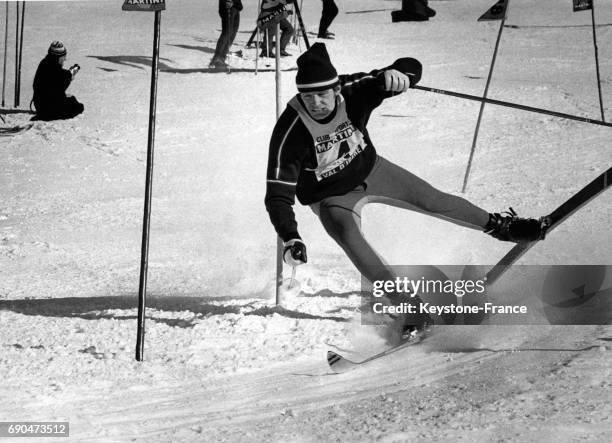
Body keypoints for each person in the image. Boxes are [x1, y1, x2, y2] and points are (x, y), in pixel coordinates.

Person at [264, 43, 544, 335]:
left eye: (322, 94)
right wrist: (290, 237)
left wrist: (403, 74)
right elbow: (277, 195)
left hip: (371, 170)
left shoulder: (354, 89)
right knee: (350, 240)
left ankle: (503, 227)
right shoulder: (290, 131)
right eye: (308, 97)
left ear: (336, 90)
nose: (317, 103)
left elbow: (411, 65)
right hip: (330, 197)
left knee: (431, 199)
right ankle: (410, 306)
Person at [32, 41, 84, 121]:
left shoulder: (45, 63)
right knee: (78, 106)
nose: (65, 59)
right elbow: (59, 88)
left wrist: (69, 74)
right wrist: (69, 76)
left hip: (40, 106)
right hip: (49, 109)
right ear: (58, 57)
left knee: (72, 100)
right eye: (63, 57)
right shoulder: (55, 70)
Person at [209, 0, 243, 70]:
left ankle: (222, 59)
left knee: (232, 34)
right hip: (228, 7)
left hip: (236, 7)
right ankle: (216, 59)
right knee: (227, 33)